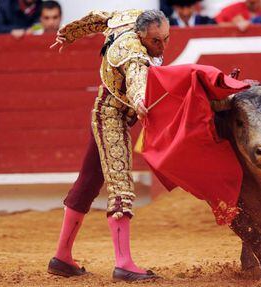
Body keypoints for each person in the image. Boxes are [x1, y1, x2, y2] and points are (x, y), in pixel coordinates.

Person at [47, 9, 170, 282]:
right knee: (120, 186)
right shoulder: (133, 51)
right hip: (111, 116)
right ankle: (123, 263)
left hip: (108, 110)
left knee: (88, 182)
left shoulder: (130, 17)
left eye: (165, 38)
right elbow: (137, 76)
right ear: (140, 36)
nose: (161, 46)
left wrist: (69, 34)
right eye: (155, 41)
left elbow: (97, 18)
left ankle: (62, 258)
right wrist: (140, 99)